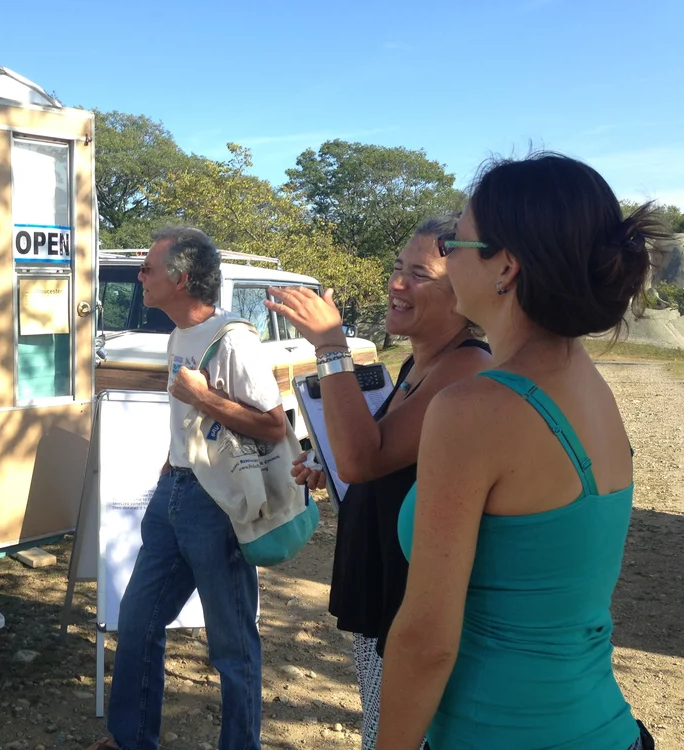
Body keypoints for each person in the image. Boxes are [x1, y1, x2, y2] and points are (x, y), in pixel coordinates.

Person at [377, 153, 668, 750]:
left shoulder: (474, 410)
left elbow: (427, 640)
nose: (446, 256)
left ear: (505, 266)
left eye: (456, 239)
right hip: (605, 730)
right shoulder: (589, 385)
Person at [263, 217, 492, 750]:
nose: (396, 284)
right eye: (396, 269)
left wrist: (329, 345)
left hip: (410, 606)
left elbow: (367, 457)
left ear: (463, 291)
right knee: (377, 724)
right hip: (381, 588)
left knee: (396, 737)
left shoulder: (466, 369)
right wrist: (335, 471)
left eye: (419, 274)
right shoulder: (418, 364)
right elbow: (383, 463)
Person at [87, 226, 287, 750]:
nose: (140, 277)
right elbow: (189, 425)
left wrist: (203, 398)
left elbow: (273, 425)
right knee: (136, 622)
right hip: (174, 493)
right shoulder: (178, 335)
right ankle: (131, 739)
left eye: (149, 268)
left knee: (231, 644)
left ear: (179, 278)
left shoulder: (235, 341)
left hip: (217, 505)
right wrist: (170, 463)